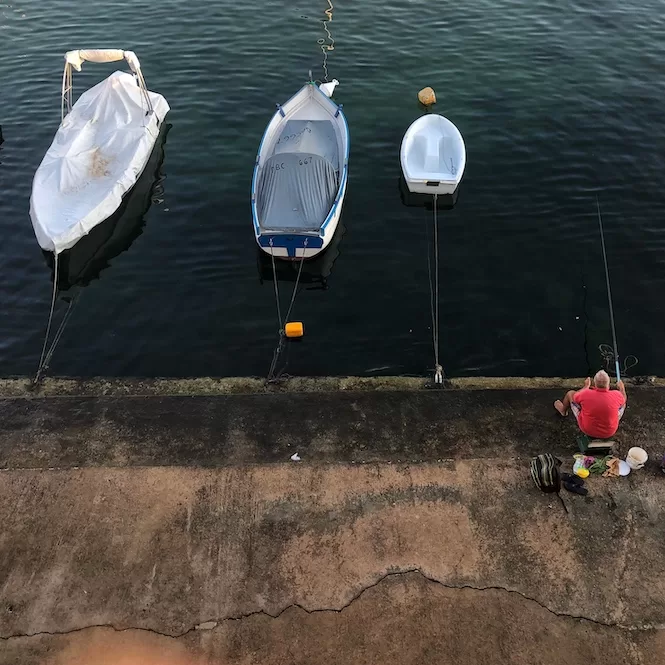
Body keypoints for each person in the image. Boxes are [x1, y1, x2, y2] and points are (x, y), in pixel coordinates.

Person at [554, 370, 626, 439]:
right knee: (623, 403)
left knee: (570, 394)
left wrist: (586, 387)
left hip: (587, 430)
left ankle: (563, 411)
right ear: (608, 384)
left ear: (595, 383)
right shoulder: (617, 395)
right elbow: (623, 399)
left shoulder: (585, 393)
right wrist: (622, 388)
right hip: (609, 432)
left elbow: (575, 397)